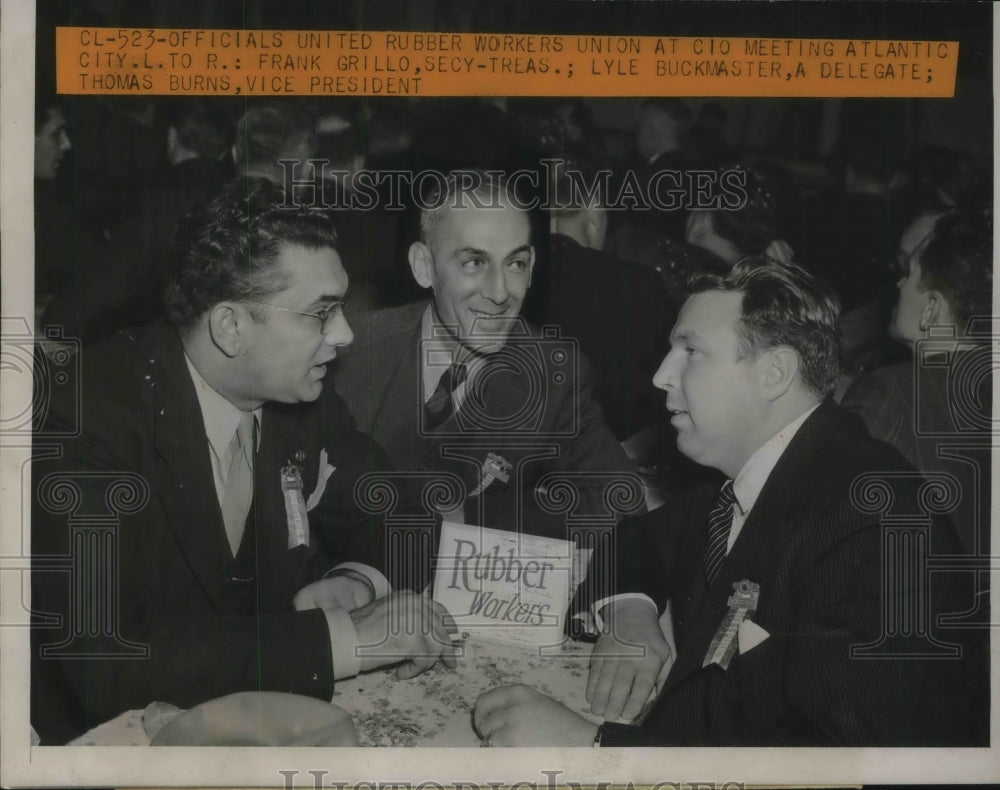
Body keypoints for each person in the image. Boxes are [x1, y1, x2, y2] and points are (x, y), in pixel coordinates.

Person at [473, 257, 984, 747]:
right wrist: (630, 612)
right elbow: (641, 536)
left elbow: (831, 763)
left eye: (690, 351)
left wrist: (591, 749)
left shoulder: (873, 523)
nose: (661, 376)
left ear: (774, 373)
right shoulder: (756, 474)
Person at [31, 178, 456, 745]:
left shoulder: (296, 390)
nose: (346, 333)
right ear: (230, 327)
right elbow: (108, 661)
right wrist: (345, 638)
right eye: (321, 313)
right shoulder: (86, 415)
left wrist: (355, 580)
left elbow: (402, 513)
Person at [332, 171, 636, 587]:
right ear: (424, 266)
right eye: (474, 262)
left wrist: (469, 518)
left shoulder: (553, 374)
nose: (499, 292)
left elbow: (620, 501)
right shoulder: (347, 354)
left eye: (516, 264)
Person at [842, 206, 992, 557]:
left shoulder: (889, 397)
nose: (898, 284)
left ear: (931, 309)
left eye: (908, 274)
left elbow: (836, 538)